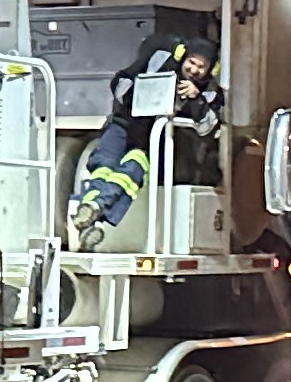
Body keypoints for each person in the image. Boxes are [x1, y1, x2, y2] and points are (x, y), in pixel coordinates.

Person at [68, 37, 220, 249]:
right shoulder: (160, 60)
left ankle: (94, 210)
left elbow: (207, 128)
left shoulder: (210, 92)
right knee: (102, 167)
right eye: (191, 62)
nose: (194, 70)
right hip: (124, 125)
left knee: (131, 173)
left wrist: (196, 99)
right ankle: (94, 217)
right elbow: (120, 82)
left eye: (201, 67)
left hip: (149, 142)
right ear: (183, 57)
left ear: (210, 70)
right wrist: (147, 90)